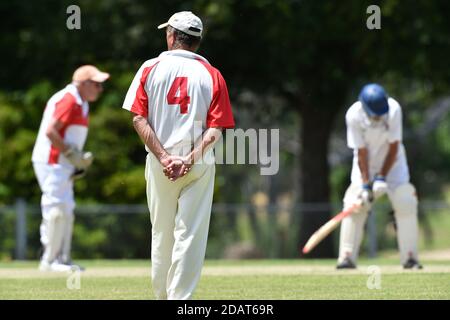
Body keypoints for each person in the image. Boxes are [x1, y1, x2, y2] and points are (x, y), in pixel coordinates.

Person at [122, 11, 235, 299]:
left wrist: (164, 158)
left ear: (172, 36)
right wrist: (189, 158)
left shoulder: (150, 67)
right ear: (197, 41)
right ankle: (180, 299)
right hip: (197, 163)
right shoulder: (212, 74)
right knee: (191, 234)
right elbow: (216, 128)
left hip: (160, 162)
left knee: (162, 233)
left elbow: (138, 118)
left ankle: (162, 297)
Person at [32, 65, 109, 271]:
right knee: (56, 208)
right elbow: (50, 132)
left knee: (66, 209)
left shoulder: (80, 101)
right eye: (96, 84)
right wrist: (70, 154)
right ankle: (50, 261)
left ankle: (61, 259)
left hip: (62, 163)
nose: (100, 89)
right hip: (53, 160)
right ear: (83, 83)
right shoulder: (70, 99)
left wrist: (74, 160)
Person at [337, 83, 422, 269]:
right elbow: (361, 152)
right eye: (374, 113)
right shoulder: (353, 115)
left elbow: (393, 147)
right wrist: (367, 185)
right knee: (355, 202)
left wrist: (382, 177)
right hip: (365, 164)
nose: (378, 116)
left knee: (405, 201)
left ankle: (410, 258)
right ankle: (347, 257)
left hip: (394, 164)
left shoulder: (393, 110)